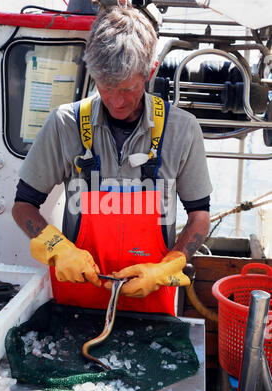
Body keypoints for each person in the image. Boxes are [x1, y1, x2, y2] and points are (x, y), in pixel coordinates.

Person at [12, 4, 212, 316]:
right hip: (78, 306)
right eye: (105, 87)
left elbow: (200, 214)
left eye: (127, 88)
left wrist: (168, 264)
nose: (116, 102)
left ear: (150, 71)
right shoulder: (64, 124)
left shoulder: (182, 130)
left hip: (151, 309)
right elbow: (23, 205)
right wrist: (56, 248)